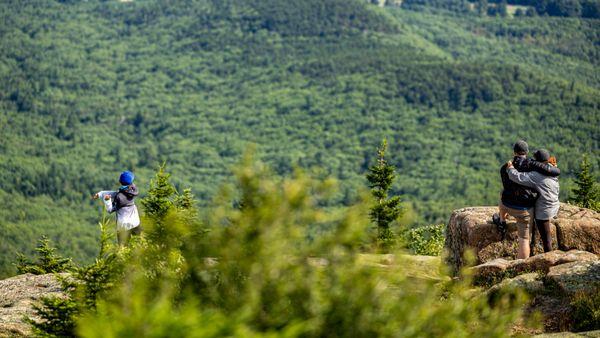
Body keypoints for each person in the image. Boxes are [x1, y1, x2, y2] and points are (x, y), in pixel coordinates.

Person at [492, 140, 559, 259]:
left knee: (503, 193)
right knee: (524, 239)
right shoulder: (541, 169)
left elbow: (515, 178)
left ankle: (502, 220)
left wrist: (511, 168)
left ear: (514, 152)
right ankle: (522, 265)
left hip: (508, 205)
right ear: (526, 152)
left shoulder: (507, 168)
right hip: (530, 209)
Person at [506, 149, 559, 253]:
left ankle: (550, 260)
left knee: (546, 239)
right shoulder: (552, 169)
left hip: (544, 211)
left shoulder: (536, 175)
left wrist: (510, 168)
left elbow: (518, 177)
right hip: (554, 205)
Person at [93, 171, 141, 245]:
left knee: (123, 248)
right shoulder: (132, 190)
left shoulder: (119, 197)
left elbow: (110, 209)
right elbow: (116, 193)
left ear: (120, 181)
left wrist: (107, 200)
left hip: (123, 226)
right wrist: (101, 194)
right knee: (137, 245)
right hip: (135, 222)